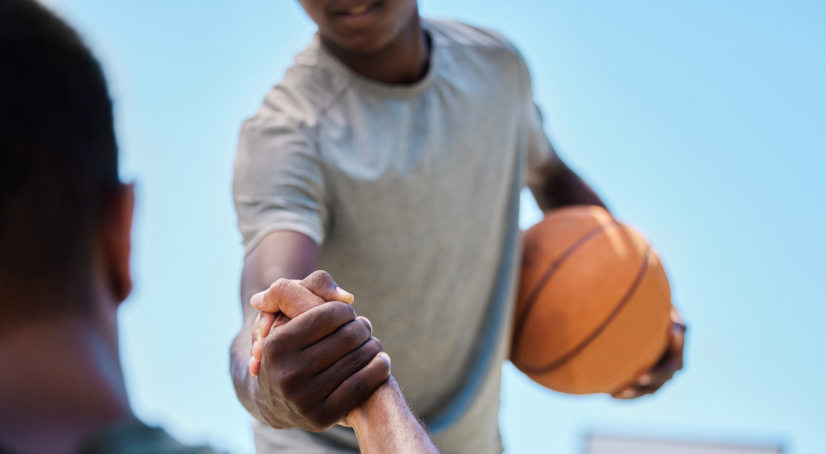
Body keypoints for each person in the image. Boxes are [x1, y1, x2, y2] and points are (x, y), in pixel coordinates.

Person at [231, 0, 687, 452]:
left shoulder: (495, 69)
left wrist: (646, 310)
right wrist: (265, 381)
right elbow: (266, 308)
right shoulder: (286, 135)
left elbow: (551, 176)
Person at [0, 1, 439, 453]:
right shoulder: (289, 133)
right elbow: (270, 298)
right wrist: (370, 394)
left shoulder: (493, 69)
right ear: (120, 234)